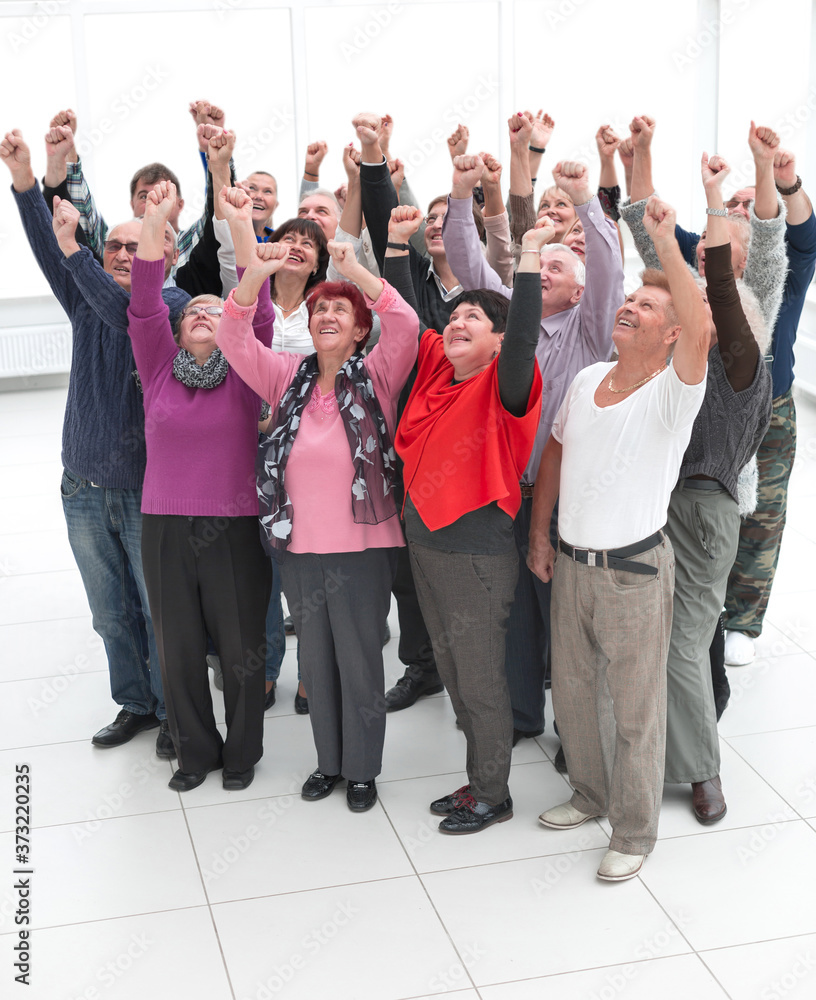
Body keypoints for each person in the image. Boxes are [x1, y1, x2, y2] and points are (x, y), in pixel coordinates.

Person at [529, 195, 709, 882]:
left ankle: (633, 832)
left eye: (648, 306)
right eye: (628, 300)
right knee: (573, 695)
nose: (630, 307)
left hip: (634, 573)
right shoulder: (585, 377)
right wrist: (541, 535)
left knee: (635, 710)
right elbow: (554, 454)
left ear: (670, 336)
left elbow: (699, 327)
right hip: (572, 564)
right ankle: (590, 795)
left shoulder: (673, 393)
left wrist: (663, 244)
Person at [216, 214, 419, 813]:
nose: (326, 317)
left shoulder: (377, 374)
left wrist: (352, 270)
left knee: (359, 660)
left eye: (340, 312)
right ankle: (329, 763)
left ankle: (362, 769)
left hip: (362, 548)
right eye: (318, 311)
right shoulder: (287, 377)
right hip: (300, 546)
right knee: (318, 660)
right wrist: (253, 276)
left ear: (359, 331)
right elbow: (232, 339)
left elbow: (405, 323)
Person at [1, 128, 188, 757]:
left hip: (144, 488)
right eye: (110, 244)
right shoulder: (85, 296)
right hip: (81, 483)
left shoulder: (172, 306)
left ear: (162, 250)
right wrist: (27, 179)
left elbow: (122, 312)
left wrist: (76, 253)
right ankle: (134, 703)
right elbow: (49, 248)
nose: (119, 253)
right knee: (110, 612)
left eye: (135, 245)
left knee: (156, 607)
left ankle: (171, 711)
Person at [442, 151, 623, 749]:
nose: (544, 269)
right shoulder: (506, 327)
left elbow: (609, 277)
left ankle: (578, 736)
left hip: (565, 498)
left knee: (566, 621)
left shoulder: (592, 331)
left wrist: (587, 204)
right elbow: (469, 265)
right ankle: (522, 717)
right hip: (500, 494)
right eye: (538, 261)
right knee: (513, 610)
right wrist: (463, 191)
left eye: (558, 265)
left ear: (577, 290)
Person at [389, 207, 546, 834]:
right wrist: (398, 248)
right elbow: (406, 312)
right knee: (453, 671)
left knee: (478, 679)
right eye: (453, 316)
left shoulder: (507, 382)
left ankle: (493, 794)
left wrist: (529, 256)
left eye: (472, 318)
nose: (455, 322)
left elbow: (527, 332)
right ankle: (480, 778)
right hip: (427, 550)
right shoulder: (437, 377)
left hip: (475, 558)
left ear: (499, 341)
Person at [127, 181, 274, 793]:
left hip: (233, 527)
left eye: (215, 310)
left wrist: (240, 227)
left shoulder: (244, 371)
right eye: (192, 311)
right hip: (164, 525)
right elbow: (142, 303)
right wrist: (156, 220)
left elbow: (257, 312)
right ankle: (194, 753)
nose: (202, 315)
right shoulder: (159, 368)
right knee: (179, 647)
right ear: (178, 325)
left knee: (240, 646)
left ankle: (241, 753)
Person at [662, 153, 772, 824]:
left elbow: (723, 293)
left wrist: (711, 205)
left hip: (703, 509)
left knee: (681, 643)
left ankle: (702, 774)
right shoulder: (674, 366)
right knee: (647, 635)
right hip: (648, 505)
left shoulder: (740, 367)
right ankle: (643, 750)